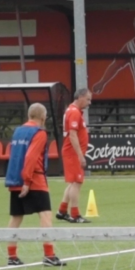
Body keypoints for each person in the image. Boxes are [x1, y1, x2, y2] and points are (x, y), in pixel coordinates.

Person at [4, 103, 64, 267]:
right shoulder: (40, 133)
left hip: (16, 179)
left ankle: (12, 256)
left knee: (16, 217)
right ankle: (49, 255)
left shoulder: (18, 131)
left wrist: (19, 179)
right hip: (34, 180)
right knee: (45, 215)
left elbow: (16, 156)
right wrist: (27, 181)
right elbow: (30, 157)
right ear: (43, 117)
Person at [56, 88, 92, 224]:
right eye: (88, 99)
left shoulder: (72, 111)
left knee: (73, 183)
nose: (89, 103)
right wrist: (80, 156)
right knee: (77, 183)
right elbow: (72, 134)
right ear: (81, 97)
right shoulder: (74, 112)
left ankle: (62, 211)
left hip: (71, 152)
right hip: (73, 153)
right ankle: (75, 214)